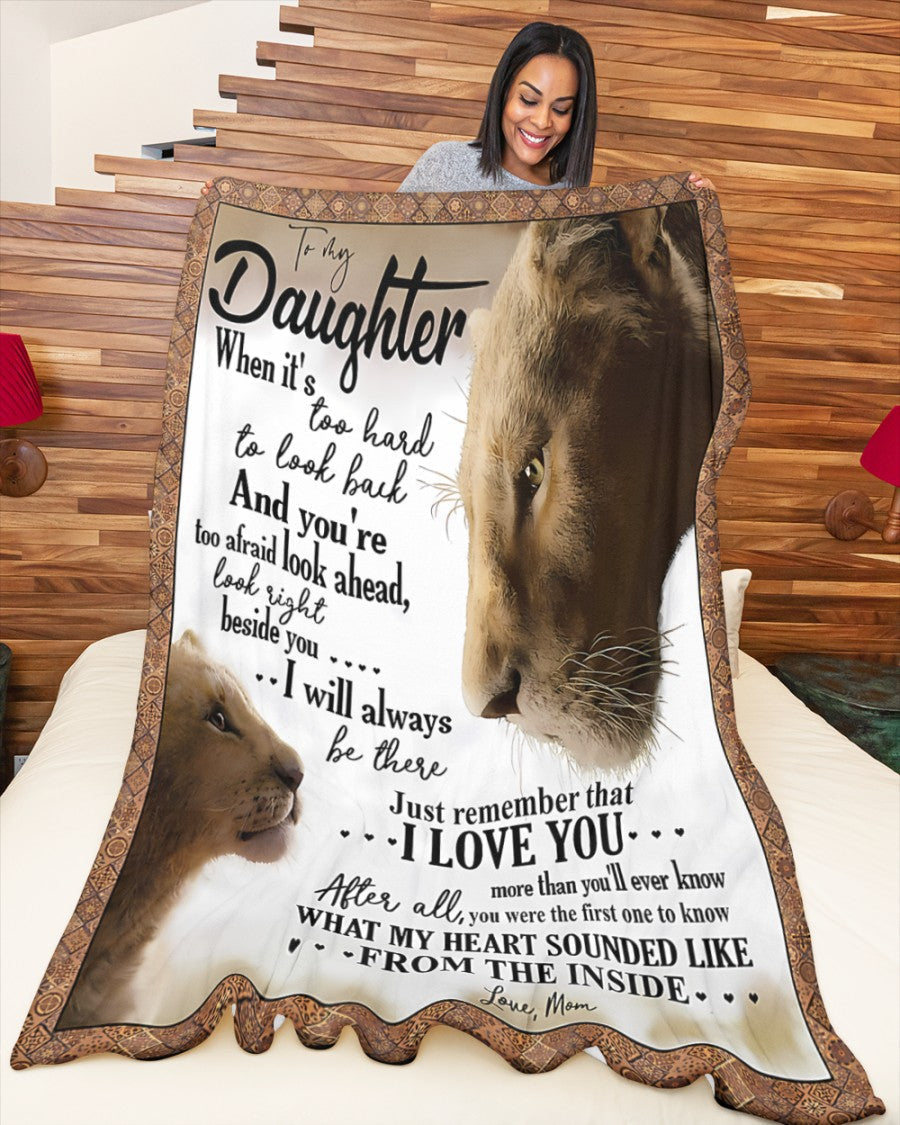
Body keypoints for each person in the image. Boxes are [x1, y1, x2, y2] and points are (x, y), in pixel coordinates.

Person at [396, 21, 712, 195]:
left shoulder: (572, 193)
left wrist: (695, 207)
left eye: (561, 109)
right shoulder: (445, 165)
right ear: (503, 94)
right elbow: (382, 250)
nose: (542, 121)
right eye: (528, 100)